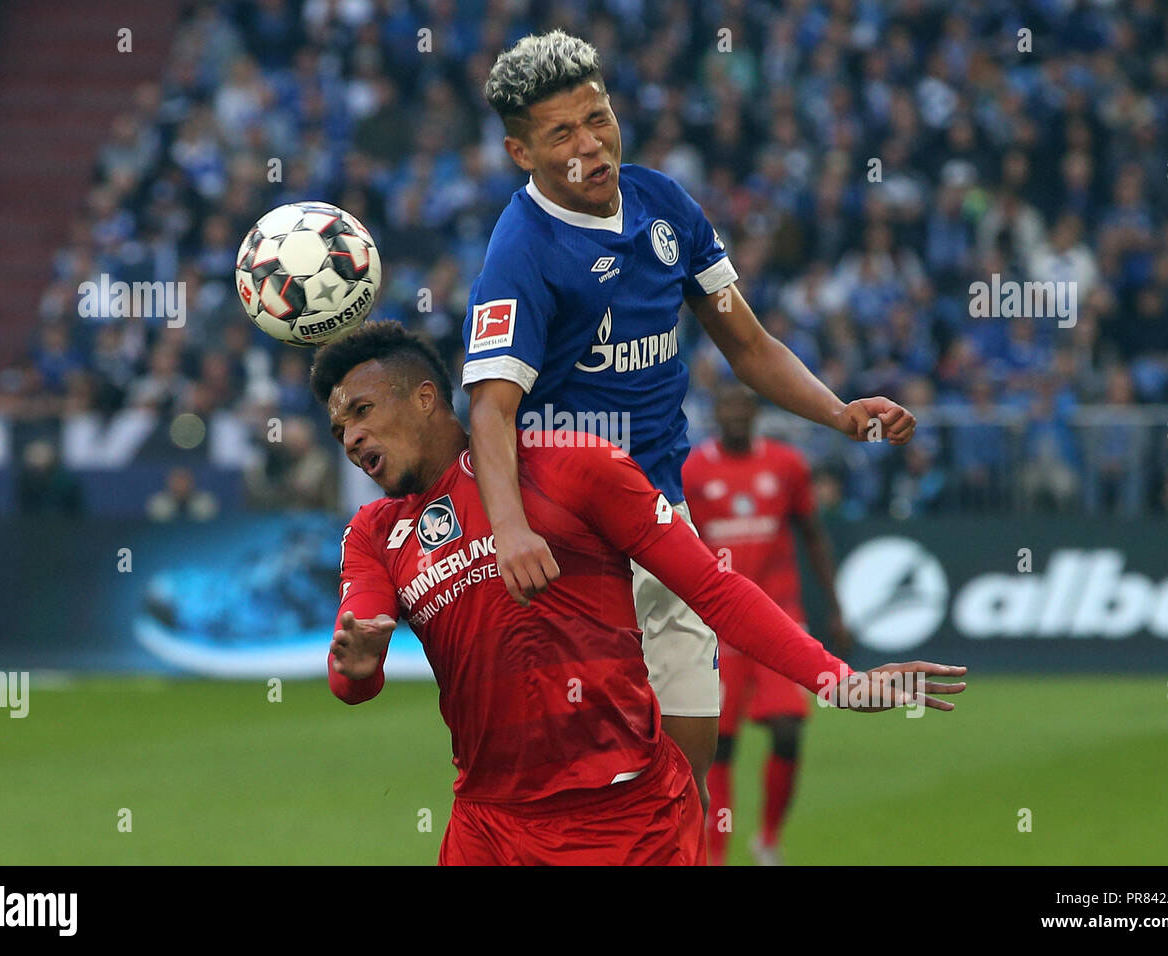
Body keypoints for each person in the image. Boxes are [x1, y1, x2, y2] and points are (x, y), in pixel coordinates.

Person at [314, 321, 965, 866]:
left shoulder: (572, 466)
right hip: (486, 827)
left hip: (626, 818)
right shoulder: (373, 535)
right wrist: (356, 662)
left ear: (426, 398)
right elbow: (354, 664)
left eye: (363, 412)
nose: (350, 438)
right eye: (339, 425)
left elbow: (711, 587)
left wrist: (834, 679)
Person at [462, 30, 917, 806]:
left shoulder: (663, 203)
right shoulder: (521, 251)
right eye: (561, 134)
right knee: (579, 784)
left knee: (687, 772)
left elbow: (747, 341)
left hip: (659, 514)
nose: (591, 144)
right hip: (565, 534)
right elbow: (490, 407)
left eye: (598, 118)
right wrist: (509, 527)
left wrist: (840, 413)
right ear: (520, 151)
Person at [682, 385, 851, 865]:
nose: (735, 415)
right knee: (720, 744)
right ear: (716, 414)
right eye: (726, 407)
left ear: (755, 414)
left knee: (787, 732)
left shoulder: (787, 465)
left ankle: (768, 839)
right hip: (717, 624)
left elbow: (813, 536)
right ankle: (716, 854)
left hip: (779, 618)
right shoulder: (693, 471)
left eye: (742, 407)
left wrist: (836, 608)